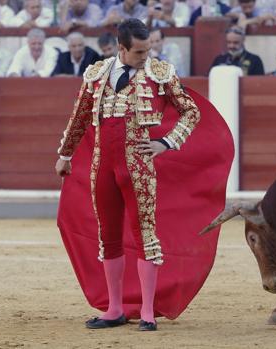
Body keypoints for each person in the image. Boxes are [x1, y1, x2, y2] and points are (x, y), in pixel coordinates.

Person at [54, 18, 233, 332]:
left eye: (147, 49)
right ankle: (114, 308)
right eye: (138, 52)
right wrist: (65, 155)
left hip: (138, 169)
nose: (145, 57)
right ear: (121, 48)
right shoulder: (97, 74)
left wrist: (166, 142)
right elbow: (80, 117)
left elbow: (192, 111)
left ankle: (148, 312)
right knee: (108, 237)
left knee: (146, 237)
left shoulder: (160, 74)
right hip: (103, 168)